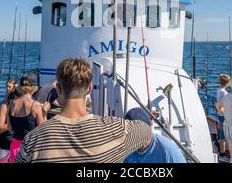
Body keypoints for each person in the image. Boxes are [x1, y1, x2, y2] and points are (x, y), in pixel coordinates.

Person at [15, 57, 152, 163]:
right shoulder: (117, 129)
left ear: (58, 88)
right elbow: (146, 130)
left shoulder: (33, 140)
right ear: (90, 88)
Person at [7, 73, 50, 163]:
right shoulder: (35, 105)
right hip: (30, 148)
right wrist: (45, 111)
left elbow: (10, 128)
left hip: (15, 146)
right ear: (34, 88)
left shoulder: (11, 103)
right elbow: (43, 131)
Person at [0, 79, 18, 163]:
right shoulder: (6, 103)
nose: (8, 89)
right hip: (8, 144)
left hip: (11, 144)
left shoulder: (5, 105)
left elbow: (0, 127)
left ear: (15, 87)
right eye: (7, 87)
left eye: (9, 87)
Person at [215, 74, 230, 157]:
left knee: (222, 133)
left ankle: (222, 152)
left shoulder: (219, 90)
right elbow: (221, 106)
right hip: (224, 115)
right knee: (223, 135)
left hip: (220, 115)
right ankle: (222, 153)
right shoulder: (224, 93)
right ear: (227, 83)